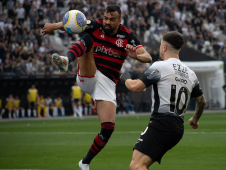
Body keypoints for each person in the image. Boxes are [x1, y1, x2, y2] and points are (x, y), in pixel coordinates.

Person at [42, 5, 152, 169]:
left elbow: (148, 57)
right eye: (106, 18)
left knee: (108, 128)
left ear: (119, 20)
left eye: (111, 19)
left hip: (107, 82)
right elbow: (75, 22)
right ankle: (66, 60)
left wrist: (137, 56)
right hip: (89, 74)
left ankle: (84, 163)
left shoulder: (128, 35)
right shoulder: (95, 25)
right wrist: (54, 26)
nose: (107, 22)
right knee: (88, 37)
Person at [120, 31, 206, 170]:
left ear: (164, 47)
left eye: (161, 46)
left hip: (162, 124)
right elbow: (202, 101)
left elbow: (135, 87)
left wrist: (125, 77)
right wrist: (195, 119)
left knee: (136, 166)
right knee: (142, 165)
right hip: (178, 128)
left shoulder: (160, 66)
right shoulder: (190, 73)